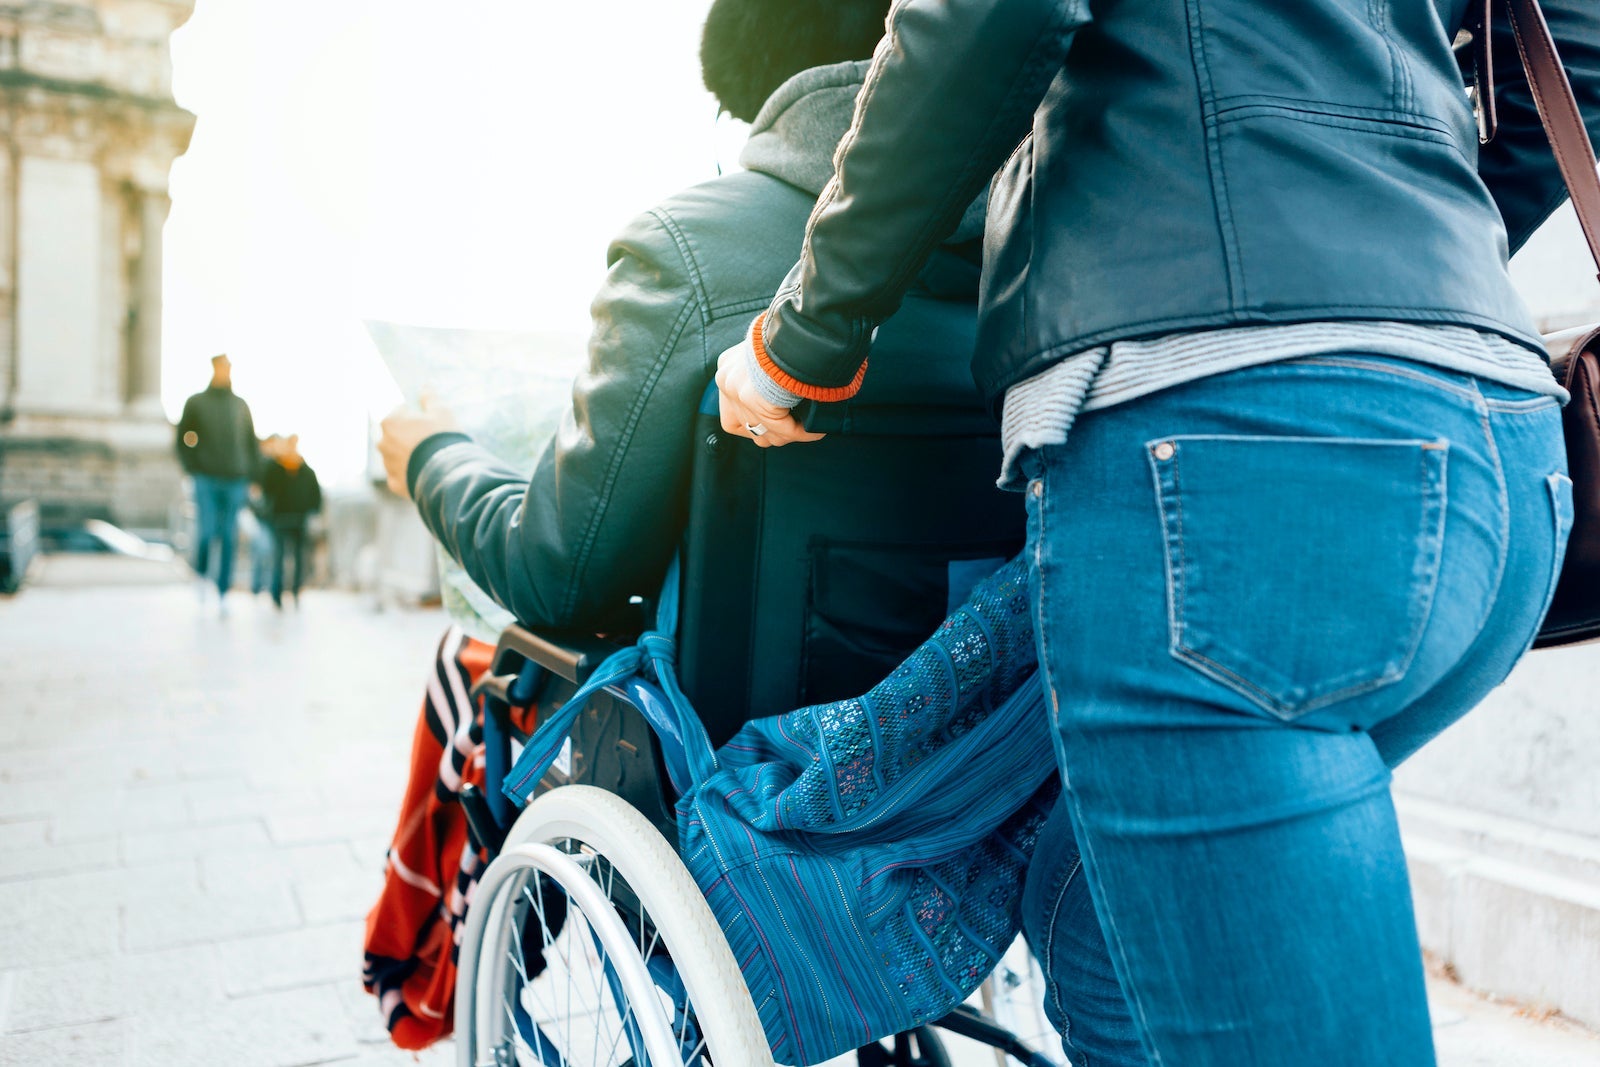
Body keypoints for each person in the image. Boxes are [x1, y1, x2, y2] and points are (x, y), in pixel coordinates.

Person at [711, 1, 1592, 1064]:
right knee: (1091, 921)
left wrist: (806, 329)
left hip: (1241, 453)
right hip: (1507, 452)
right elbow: (1578, 34)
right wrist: (1381, 244)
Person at [367, 0, 990, 1045]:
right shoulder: (1033, 263)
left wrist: (431, 456)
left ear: (743, 93)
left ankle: (422, 985)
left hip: (742, 781)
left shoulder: (690, 246)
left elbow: (559, 570)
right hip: (959, 770)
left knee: (467, 661)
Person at [175, 354, 257, 612]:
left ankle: (224, 591)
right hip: (206, 477)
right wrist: (192, 468)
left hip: (236, 479)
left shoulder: (240, 405)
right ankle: (201, 577)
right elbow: (184, 437)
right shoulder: (196, 403)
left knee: (230, 536)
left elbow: (250, 443)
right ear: (213, 369)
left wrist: (253, 478)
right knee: (207, 531)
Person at [260, 434, 321, 609]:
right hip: (280, 519)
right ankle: (277, 594)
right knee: (280, 557)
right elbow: (267, 490)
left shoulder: (305, 470)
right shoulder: (275, 467)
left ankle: (294, 592)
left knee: (296, 558)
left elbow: (314, 495)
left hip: (297, 520)